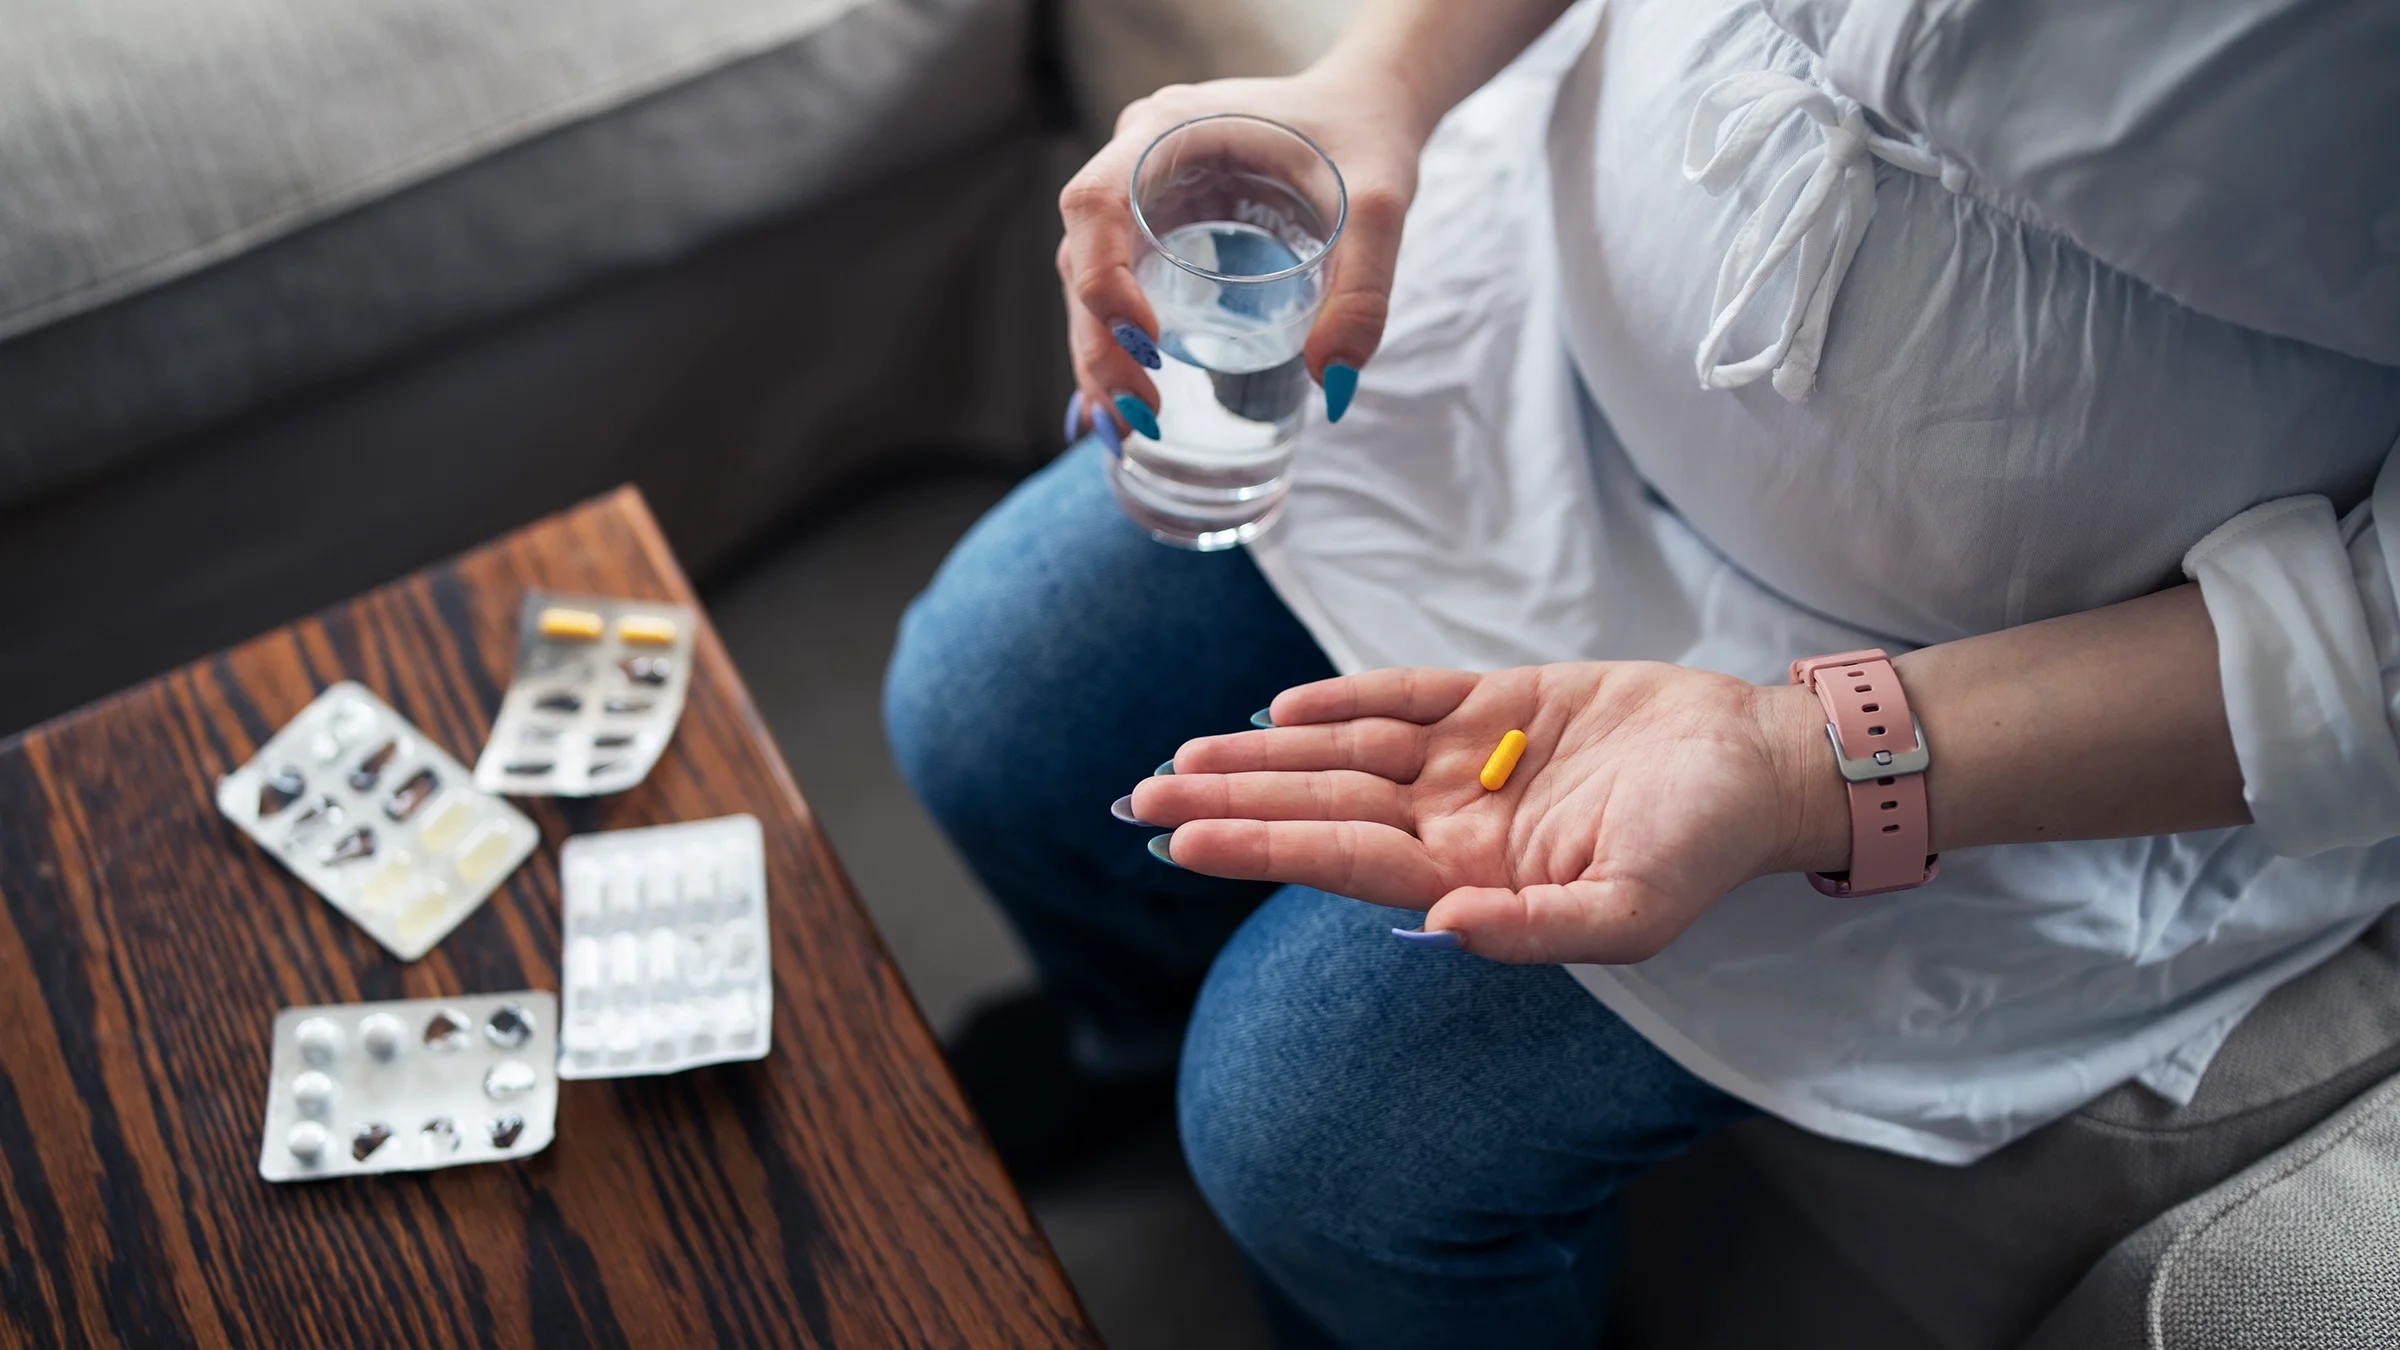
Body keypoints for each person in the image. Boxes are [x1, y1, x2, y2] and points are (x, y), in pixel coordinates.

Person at [885, 0, 2400, 1344]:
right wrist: (1379, 82)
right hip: (1535, 359)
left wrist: (1803, 760)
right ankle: (1121, 1038)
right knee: (985, 698)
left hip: (2013, 702)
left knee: (1319, 1129)